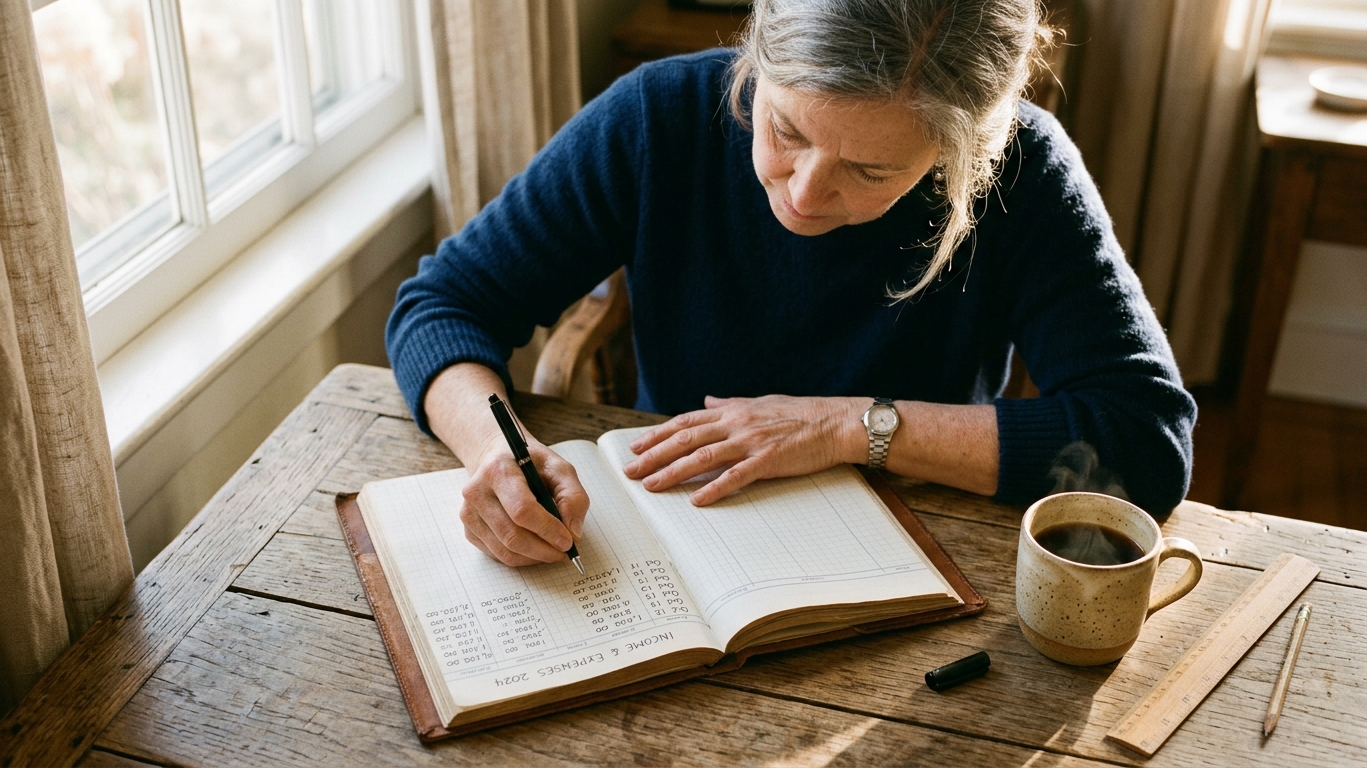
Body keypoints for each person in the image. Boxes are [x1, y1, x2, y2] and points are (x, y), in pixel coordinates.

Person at [386, 0, 1197, 568]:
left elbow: (1146, 442)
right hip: (679, 537)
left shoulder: (1025, 172)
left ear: (964, 155)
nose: (804, 194)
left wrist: (853, 428)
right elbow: (444, 304)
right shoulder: (657, 119)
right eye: (785, 129)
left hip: (924, 552)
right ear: (756, 56)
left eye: (871, 168)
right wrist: (496, 454)